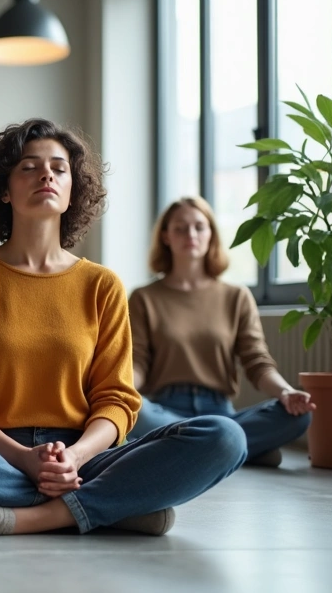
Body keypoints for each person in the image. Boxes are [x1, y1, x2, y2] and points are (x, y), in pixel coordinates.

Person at [0, 119, 248, 539]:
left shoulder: (102, 285)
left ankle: (23, 516)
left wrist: (73, 457)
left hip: (84, 458)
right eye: (29, 167)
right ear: (4, 188)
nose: (46, 174)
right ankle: (111, 505)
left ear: (73, 191)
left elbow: (117, 398)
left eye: (59, 167)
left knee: (225, 436)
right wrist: (23, 458)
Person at [128, 196, 314, 466]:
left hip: (222, 414)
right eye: (180, 228)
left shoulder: (236, 296)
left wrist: (285, 393)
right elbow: (138, 362)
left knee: (298, 415)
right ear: (166, 236)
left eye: (199, 227)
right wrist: (121, 392)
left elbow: (256, 361)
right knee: (133, 411)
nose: (190, 234)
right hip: (164, 411)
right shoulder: (143, 297)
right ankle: (233, 450)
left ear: (211, 234)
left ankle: (204, 449)